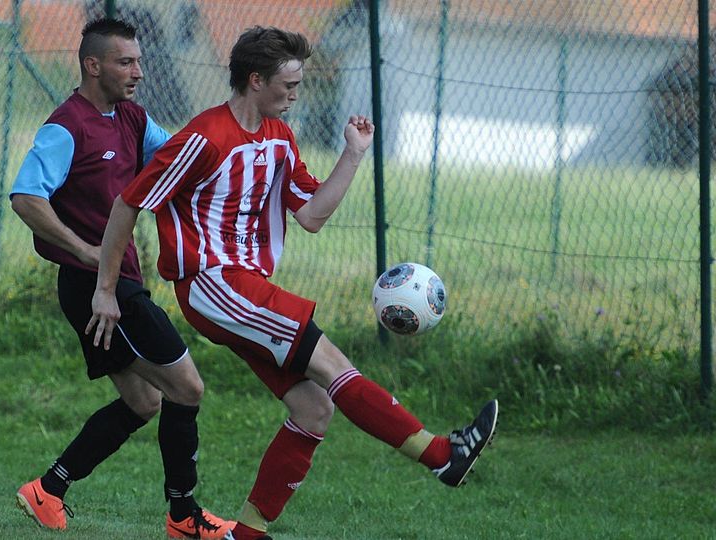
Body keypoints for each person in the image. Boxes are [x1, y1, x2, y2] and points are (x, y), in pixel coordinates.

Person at [89, 26, 499, 540]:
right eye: (289, 84)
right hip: (214, 284)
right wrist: (106, 290)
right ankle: (442, 455)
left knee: (313, 406)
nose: (296, 93)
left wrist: (353, 153)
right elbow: (129, 202)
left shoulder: (280, 137)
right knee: (332, 363)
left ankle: (248, 533)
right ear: (255, 80)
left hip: (243, 286)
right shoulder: (204, 138)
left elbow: (311, 214)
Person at [9, 18, 235, 539]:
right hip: (97, 287)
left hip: (115, 280)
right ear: (93, 65)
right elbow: (26, 198)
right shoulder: (66, 127)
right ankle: (183, 517)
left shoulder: (131, 118)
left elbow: (177, 156)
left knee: (144, 401)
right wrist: (85, 250)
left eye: (138, 61)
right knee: (186, 388)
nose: (138, 71)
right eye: (125, 62)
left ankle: (48, 490)